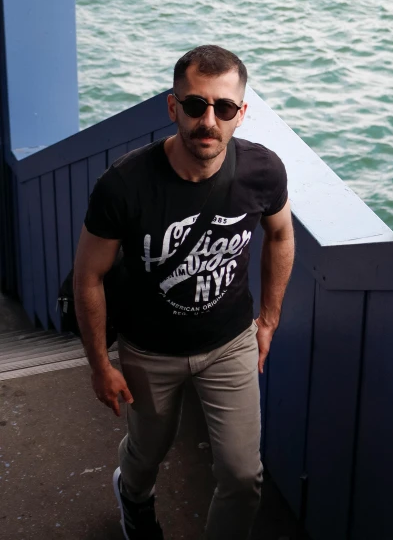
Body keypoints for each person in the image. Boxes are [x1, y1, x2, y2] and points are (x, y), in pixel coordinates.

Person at [73, 45, 295, 540]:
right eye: (195, 105)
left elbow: (281, 235)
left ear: (242, 112)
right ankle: (132, 497)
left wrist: (269, 319)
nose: (208, 121)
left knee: (242, 477)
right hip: (149, 351)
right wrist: (99, 365)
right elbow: (88, 275)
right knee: (147, 451)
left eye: (224, 107)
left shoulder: (263, 172)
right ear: (173, 107)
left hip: (230, 344)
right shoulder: (124, 184)